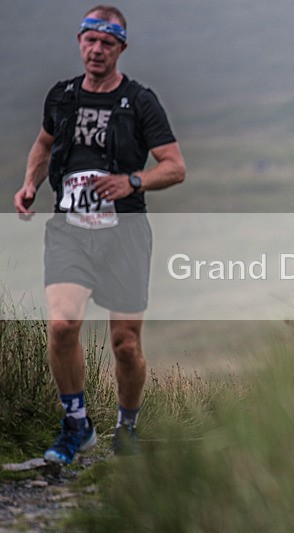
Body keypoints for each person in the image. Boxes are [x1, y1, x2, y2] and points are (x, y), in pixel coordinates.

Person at [13, 5, 186, 464]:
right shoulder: (62, 97)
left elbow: (174, 167)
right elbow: (44, 143)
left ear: (120, 48)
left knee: (125, 344)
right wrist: (30, 184)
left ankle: (126, 428)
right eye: (90, 40)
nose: (96, 50)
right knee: (62, 326)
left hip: (124, 233)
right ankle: (76, 425)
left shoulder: (140, 101)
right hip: (69, 229)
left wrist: (133, 181)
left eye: (107, 43)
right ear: (79, 42)